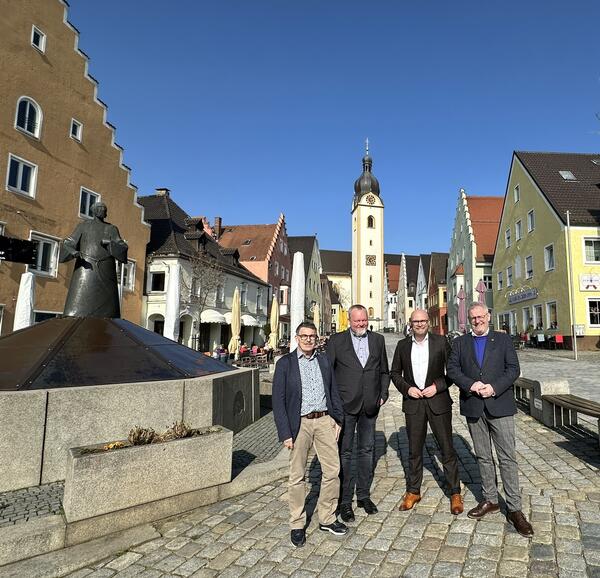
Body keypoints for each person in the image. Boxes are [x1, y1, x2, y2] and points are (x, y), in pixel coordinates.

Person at [447, 302, 534, 537]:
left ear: (488, 316)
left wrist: (494, 387)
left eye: (481, 316)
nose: (477, 321)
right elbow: (452, 370)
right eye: (473, 318)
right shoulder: (459, 343)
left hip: (500, 405)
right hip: (474, 406)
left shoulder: (503, 340)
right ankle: (490, 499)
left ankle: (515, 509)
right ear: (469, 320)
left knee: (507, 458)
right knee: (483, 457)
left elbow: (513, 369)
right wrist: (471, 384)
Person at [272, 322, 347, 547]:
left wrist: (338, 419)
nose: (308, 340)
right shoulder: (285, 364)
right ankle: (297, 523)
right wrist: (285, 432)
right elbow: (278, 401)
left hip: (324, 420)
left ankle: (326, 517)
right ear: (296, 338)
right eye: (304, 336)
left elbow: (333, 390)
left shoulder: (323, 360)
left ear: (317, 339)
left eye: (312, 336)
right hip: (300, 424)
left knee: (332, 470)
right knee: (297, 476)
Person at [390, 310, 463, 514]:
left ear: (428, 323)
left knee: (447, 448)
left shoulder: (441, 342)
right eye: (416, 321)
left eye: (423, 321)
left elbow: (453, 373)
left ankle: (455, 492)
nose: (420, 324)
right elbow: (394, 373)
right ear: (410, 324)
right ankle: (413, 491)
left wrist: (437, 386)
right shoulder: (402, 345)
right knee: (414, 450)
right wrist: (407, 388)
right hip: (414, 403)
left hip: (438, 401)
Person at [327, 304, 390, 522]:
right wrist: (333, 406)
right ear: (349, 321)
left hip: (370, 405)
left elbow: (384, 370)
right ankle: (345, 501)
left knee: (366, 450)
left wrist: (383, 393)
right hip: (346, 407)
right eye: (357, 321)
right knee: (344, 453)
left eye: (364, 320)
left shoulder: (377, 340)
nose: (361, 324)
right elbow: (329, 375)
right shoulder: (336, 342)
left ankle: (363, 495)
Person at [60, 202, 128, 318]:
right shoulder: (83, 226)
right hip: (85, 268)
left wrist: (109, 243)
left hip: (106, 270)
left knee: (108, 309)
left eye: (105, 209)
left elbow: (122, 247)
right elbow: (69, 242)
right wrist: (73, 252)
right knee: (77, 306)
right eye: (101, 209)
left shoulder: (111, 228)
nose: (104, 211)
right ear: (95, 211)